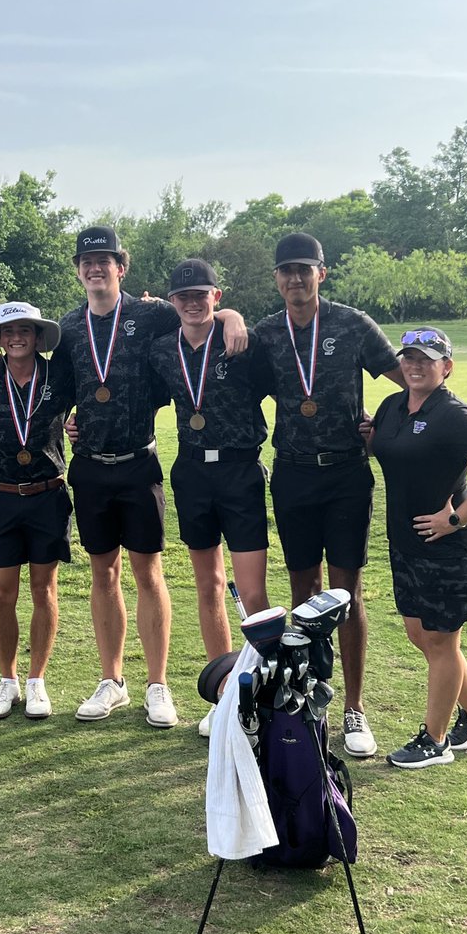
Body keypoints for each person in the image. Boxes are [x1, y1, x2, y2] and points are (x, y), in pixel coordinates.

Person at [255, 233, 467, 760]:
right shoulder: (265, 332)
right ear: (276, 278)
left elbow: (416, 378)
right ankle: (310, 698)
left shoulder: (351, 323)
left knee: (346, 593)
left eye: (305, 269)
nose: (295, 279)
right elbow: (226, 378)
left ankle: (354, 708)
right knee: (304, 592)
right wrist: (225, 315)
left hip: (346, 474)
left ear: (321, 273)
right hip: (293, 475)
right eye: (286, 271)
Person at [55, 225, 247, 728]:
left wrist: (230, 314)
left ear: (122, 266)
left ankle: (157, 685)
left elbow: (200, 313)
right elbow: (49, 381)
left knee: (148, 574)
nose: (95, 268)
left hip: (140, 465)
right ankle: (111, 680)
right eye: (86, 261)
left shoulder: (152, 313)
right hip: (90, 468)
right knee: (103, 574)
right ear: (78, 270)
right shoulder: (69, 327)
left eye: (105, 260)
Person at [368, 327, 467, 768]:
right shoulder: (392, 406)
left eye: (427, 359)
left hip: (447, 548)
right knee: (420, 635)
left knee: (441, 640)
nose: (415, 365)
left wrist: (455, 519)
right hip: (407, 542)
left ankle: (435, 740)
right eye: (409, 357)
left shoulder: (452, 414)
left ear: (446, 367)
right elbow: (384, 447)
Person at [149, 259, 276, 737]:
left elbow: (289, 386)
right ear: (172, 302)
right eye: (183, 297)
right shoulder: (163, 351)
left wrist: (233, 318)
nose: (192, 303)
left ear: (216, 297)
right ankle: (227, 691)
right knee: (209, 587)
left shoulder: (242, 343)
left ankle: (260, 693)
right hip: (191, 471)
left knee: (252, 591)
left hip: (240, 469)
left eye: (202, 295)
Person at [0, 301, 75, 720]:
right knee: (2, 593)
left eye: (25, 331)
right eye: (8, 331)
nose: (16, 338)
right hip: (2, 495)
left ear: (37, 337)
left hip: (47, 493)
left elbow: (90, 396)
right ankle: (8, 680)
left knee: (43, 590)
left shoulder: (59, 374)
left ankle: (36, 681)